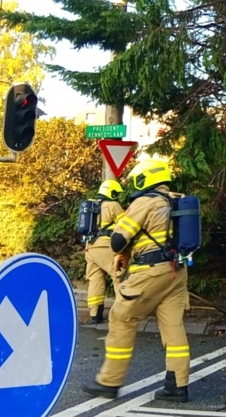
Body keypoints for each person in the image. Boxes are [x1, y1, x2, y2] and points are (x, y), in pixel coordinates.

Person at [83, 158, 191, 403]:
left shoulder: (146, 201)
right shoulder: (178, 200)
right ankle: (177, 385)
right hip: (176, 271)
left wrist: (123, 248)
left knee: (121, 317)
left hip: (150, 271)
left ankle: (109, 382)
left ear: (147, 178)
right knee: (173, 328)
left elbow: (118, 240)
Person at [84, 179, 125, 324]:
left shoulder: (90, 206)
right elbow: (125, 226)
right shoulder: (113, 205)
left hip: (89, 248)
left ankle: (95, 314)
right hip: (105, 247)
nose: (117, 196)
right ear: (111, 192)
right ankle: (123, 312)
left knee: (95, 280)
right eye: (116, 193)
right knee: (119, 275)